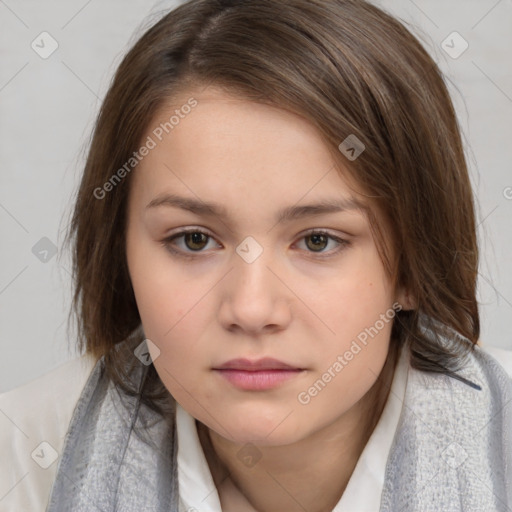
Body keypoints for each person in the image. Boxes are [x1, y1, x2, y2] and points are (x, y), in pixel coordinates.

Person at [1, 0, 511, 511]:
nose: (251, 309)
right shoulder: (25, 455)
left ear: (413, 265)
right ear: (121, 254)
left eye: (318, 241)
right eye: (194, 240)